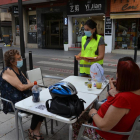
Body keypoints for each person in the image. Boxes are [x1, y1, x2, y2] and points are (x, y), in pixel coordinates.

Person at [88, 60, 140, 140]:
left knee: (75, 121)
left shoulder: (123, 99)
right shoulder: (134, 92)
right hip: (119, 131)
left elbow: (104, 126)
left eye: (118, 74)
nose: (116, 76)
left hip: (105, 135)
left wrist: (93, 113)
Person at [0, 49, 44, 140]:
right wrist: (33, 84)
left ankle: (34, 130)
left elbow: (28, 83)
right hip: (12, 102)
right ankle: (33, 131)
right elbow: (21, 87)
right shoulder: (8, 70)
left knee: (43, 104)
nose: (21, 59)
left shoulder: (18, 70)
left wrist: (33, 87)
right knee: (39, 107)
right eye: (19, 58)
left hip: (23, 97)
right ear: (12, 62)